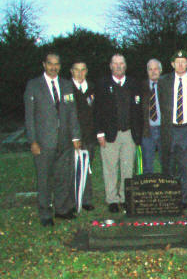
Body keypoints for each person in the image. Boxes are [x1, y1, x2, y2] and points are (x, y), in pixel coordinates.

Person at [24, 52, 81, 226]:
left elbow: (72, 113)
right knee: (44, 179)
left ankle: (62, 210)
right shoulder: (33, 86)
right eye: (50, 64)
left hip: (64, 141)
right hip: (43, 142)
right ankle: (45, 214)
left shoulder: (66, 85)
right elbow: (29, 117)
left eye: (56, 64)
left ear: (60, 66)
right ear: (44, 64)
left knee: (63, 177)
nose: (53, 67)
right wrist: (33, 141)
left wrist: (76, 136)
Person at [94, 54, 143, 213]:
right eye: (115, 63)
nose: (118, 66)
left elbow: (139, 110)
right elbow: (97, 110)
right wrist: (99, 133)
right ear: (110, 66)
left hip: (129, 133)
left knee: (128, 168)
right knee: (110, 168)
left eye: (121, 63)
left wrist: (138, 134)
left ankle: (125, 197)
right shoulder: (102, 84)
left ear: (125, 66)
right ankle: (112, 200)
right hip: (109, 134)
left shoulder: (134, 84)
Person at [157, 50, 187, 209]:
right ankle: (170, 196)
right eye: (177, 62)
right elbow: (161, 102)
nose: (180, 64)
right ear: (172, 64)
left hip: (186, 129)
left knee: (185, 166)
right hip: (169, 128)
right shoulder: (163, 81)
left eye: (183, 61)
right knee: (169, 165)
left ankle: (183, 199)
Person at [70, 59, 96, 211]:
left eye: (83, 69)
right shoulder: (67, 87)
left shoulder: (92, 87)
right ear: (71, 71)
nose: (80, 73)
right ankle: (73, 200)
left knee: (88, 168)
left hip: (89, 136)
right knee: (73, 168)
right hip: (73, 137)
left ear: (86, 71)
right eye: (76, 69)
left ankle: (86, 200)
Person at [141, 59, 162, 174]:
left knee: (167, 164)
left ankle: (167, 190)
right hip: (147, 130)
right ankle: (148, 190)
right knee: (147, 165)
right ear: (147, 71)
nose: (153, 71)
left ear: (160, 70)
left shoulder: (167, 86)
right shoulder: (141, 87)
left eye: (156, 69)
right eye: (150, 69)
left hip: (164, 130)